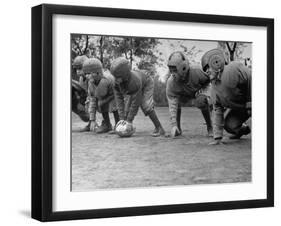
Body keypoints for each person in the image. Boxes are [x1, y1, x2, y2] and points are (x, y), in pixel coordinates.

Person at [201, 49, 251, 145]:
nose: (207, 71)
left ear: (217, 62)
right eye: (205, 69)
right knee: (229, 125)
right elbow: (217, 110)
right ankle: (244, 130)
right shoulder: (214, 88)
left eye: (208, 67)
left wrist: (250, 102)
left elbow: (250, 77)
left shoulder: (232, 69)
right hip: (242, 108)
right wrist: (217, 137)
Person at [110, 57, 165, 137]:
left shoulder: (134, 82)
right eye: (114, 76)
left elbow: (136, 103)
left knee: (146, 105)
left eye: (117, 77)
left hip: (146, 82)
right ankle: (126, 127)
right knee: (126, 108)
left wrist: (129, 120)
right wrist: (121, 119)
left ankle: (159, 128)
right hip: (134, 87)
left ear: (124, 75)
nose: (115, 79)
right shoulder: (116, 82)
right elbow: (119, 101)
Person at [166, 51, 213, 138]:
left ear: (183, 67)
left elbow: (210, 81)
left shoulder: (197, 71)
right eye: (171, 70)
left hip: (200, 90)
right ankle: (178, 129)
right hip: (185, 94)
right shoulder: (171, 82)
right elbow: (172, 104)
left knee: (200, 101)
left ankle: (210, 127)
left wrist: (207, 96)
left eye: (175, 70)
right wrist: (173, 125)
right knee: (176, 101)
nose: (172, 73)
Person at [82, 58, 120, 133]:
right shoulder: (90, 83)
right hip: (105, 96)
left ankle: (118, 125)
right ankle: (107, 125)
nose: (87, 76)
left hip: (116, 96)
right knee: (98, 103)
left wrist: (104, 101)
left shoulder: (109, 79)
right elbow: (92, 99)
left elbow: (117, 94)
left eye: (89, 73)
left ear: (98, 72)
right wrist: (92, 119)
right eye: (86, 74)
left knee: (114, 105)